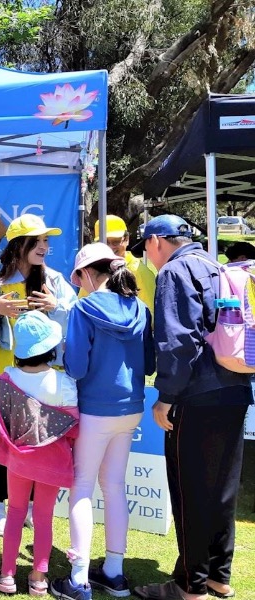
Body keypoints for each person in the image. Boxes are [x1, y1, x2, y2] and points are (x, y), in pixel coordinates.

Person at [131, 215, 251, 600]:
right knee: (221, 489)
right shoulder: (217, 266)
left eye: (146, 247)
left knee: (190, 490)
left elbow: (178, 343)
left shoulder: (175, 272)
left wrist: (166, 397)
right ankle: (219, 575)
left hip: (196, 396)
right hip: (235, 388)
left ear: (156, 242)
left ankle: (189, 585)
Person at [0, 214, 76, 537]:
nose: (45, 247)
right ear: (19, 245)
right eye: (38, 241)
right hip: (0, 377)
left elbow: (77, 323)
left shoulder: (53, 280)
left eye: (47, 241)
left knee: (38, 443)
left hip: (42, 378)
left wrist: (57, 306)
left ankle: (32, 508)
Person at [50, 243, 155, 600]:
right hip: (131, 408)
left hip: (95, 408)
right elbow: (150, 363)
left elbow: (76, 367)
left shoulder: (84, 307)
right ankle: (113, 572)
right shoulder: (140, 308)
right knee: (114, 486)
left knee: (82, 486)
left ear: (87, 274)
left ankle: (79, 578)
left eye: (78, 276)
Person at [0, 310, 79, 597]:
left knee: (14, 512)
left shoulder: (4, 378)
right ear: (52, 347)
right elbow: (74, 428)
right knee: (43, 516)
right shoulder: (64, 383)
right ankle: (39, 578)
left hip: (18, 460)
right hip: (53, 462)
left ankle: (7, 576)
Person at [89, 215, 156, 317]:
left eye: (116, 241)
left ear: (127, 239)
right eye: (105, 242)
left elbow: (150, 315)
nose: (110, 247)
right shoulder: (93, 271)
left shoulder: (139, 272)